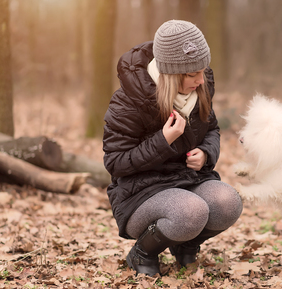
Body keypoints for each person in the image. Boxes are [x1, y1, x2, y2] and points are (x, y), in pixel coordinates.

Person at [103, 20, 243, 276]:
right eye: (192, 74)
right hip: (140, 195)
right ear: (170, 73)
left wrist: (206, 153)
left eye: (203, 71)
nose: (201, 81)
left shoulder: (199, 90)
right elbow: (115, 163)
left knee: (228, 202)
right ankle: (142, 253)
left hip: (188, 181)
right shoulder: (128, 102)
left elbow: (211, 129)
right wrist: (162, 141)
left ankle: (185, 246)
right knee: (191, 211)